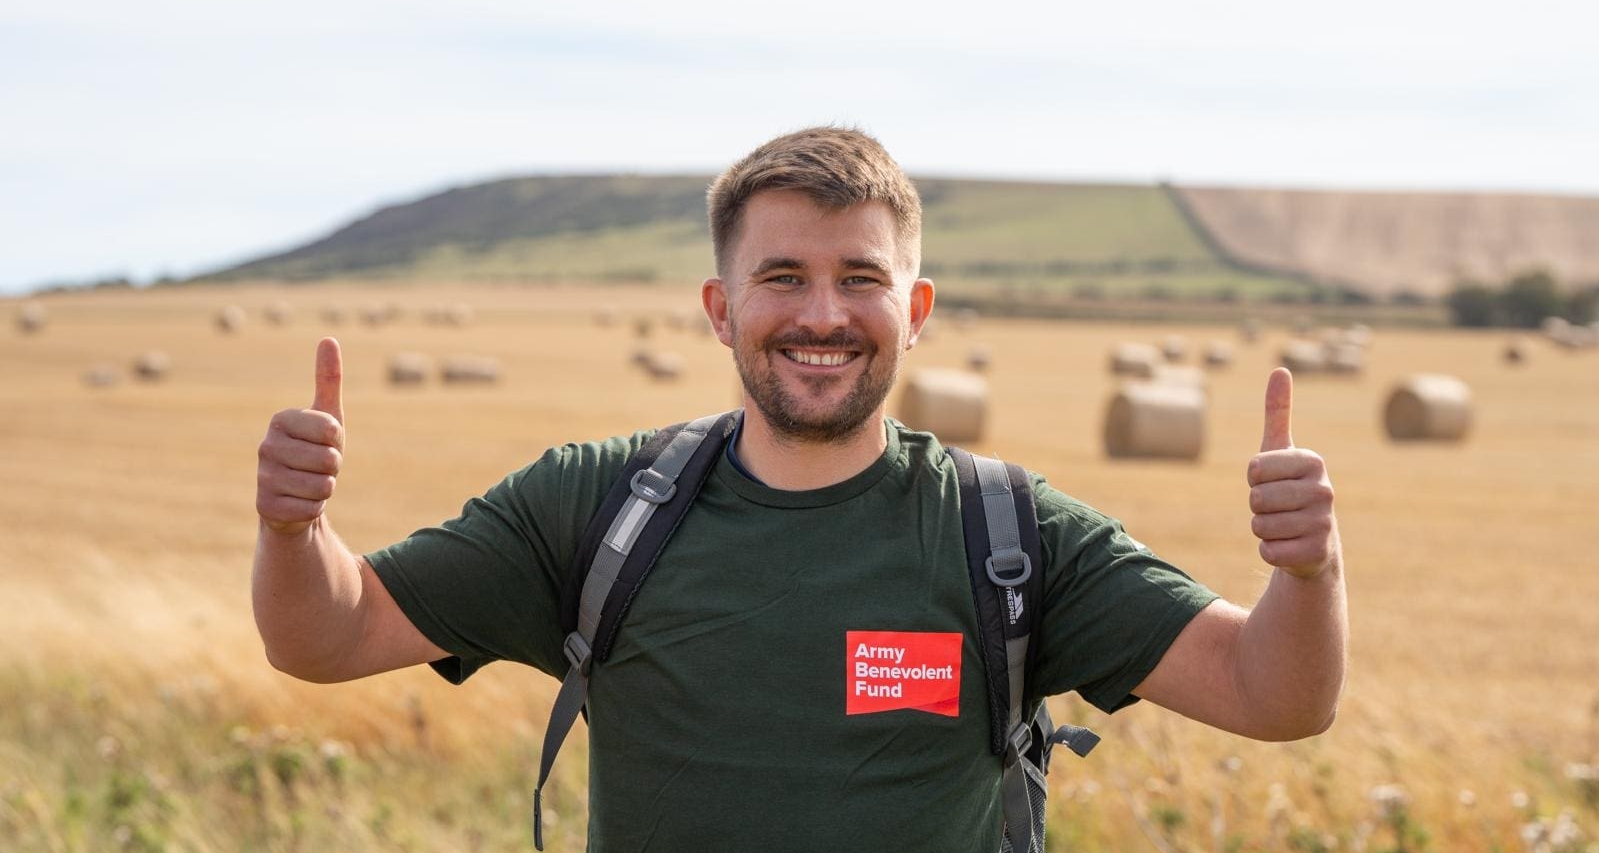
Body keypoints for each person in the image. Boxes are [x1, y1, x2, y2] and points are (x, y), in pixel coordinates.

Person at [253, 126, 1346, 851]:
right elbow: (327, 637)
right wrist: (293, 530)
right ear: (720, 308)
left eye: (860, 279)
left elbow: (1276, 697)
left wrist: (1309, 572)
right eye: (782, 277)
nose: (822, 314)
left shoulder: (1009, 533)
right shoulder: (594, 506)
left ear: (915, 311)